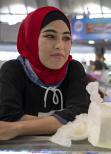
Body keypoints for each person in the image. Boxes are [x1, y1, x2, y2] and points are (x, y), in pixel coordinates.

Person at [0, 6, 90, 140]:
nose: (60, 45)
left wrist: (18, 128)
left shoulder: (74, 69)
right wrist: (61, 121)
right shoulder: (13, 70)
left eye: (66, 38)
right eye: (50, 36)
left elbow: (80, 114)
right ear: (31, 37)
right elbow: (7, 117)